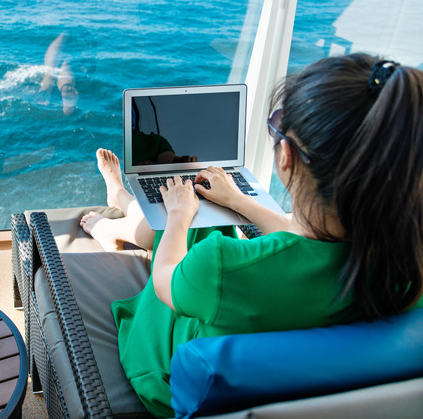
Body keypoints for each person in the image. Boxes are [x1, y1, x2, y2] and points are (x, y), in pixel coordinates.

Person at [79, 53, 423, 417]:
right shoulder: (408, 264)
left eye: (278, 125)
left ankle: (113, 216)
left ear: (286, 155)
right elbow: (307, 244)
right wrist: (237, 200)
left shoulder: (220, 266)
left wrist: (179, 215)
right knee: (210, 219)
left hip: (172, 376)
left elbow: (165, 280)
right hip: (308, 389)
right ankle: (122, 202)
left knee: (189, 225)